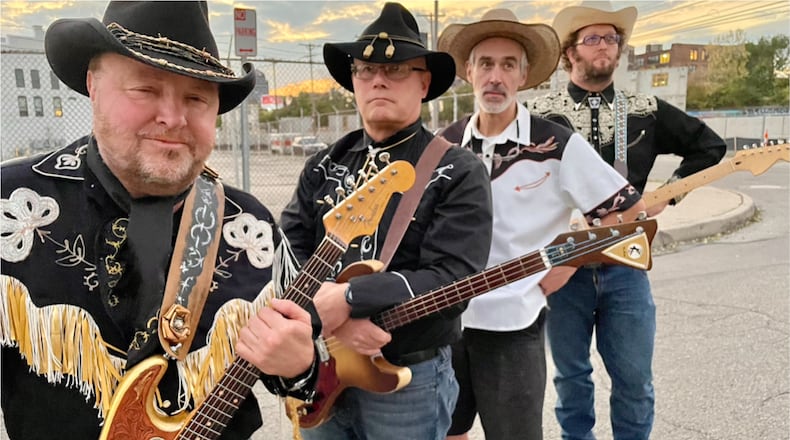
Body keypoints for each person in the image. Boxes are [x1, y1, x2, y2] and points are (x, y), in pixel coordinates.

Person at [0, 2, 318, 439]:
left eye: (196, 98)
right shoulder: (11, 206)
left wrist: (301, 366)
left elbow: (305, 384)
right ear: (94, 85)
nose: (173, 117)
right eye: (145, 90)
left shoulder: (251, 228)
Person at [279, 3, 493, 439]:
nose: (377, 78)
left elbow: (454, 278)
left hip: (407, 380)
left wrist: (351, 298)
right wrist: (336, 321)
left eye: (395, 69)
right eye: (365, 69)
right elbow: (288, 248)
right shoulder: (324, 164)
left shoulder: (458, 170)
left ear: (424, 82)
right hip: (322, 365)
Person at [437, 9, 647, 440]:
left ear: (524, 74)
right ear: (469, 72)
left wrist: (568, 263)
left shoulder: (557, 144)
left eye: (508, 65)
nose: (496, 76)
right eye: (486, 64)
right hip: (447, 321)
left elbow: (625, 210)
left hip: (513, 325)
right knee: (446, 431)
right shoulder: (443, 145)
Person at [528, 2, 727, 439]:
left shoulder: (644, 108)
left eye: (612, 38)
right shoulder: (540, 115)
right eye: (592, 38)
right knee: (570, 379)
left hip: (627, 264)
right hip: (566, 266)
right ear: (569, 53)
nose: (604, 46)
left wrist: (665, 196)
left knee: (635, 381)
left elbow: (708, 147)